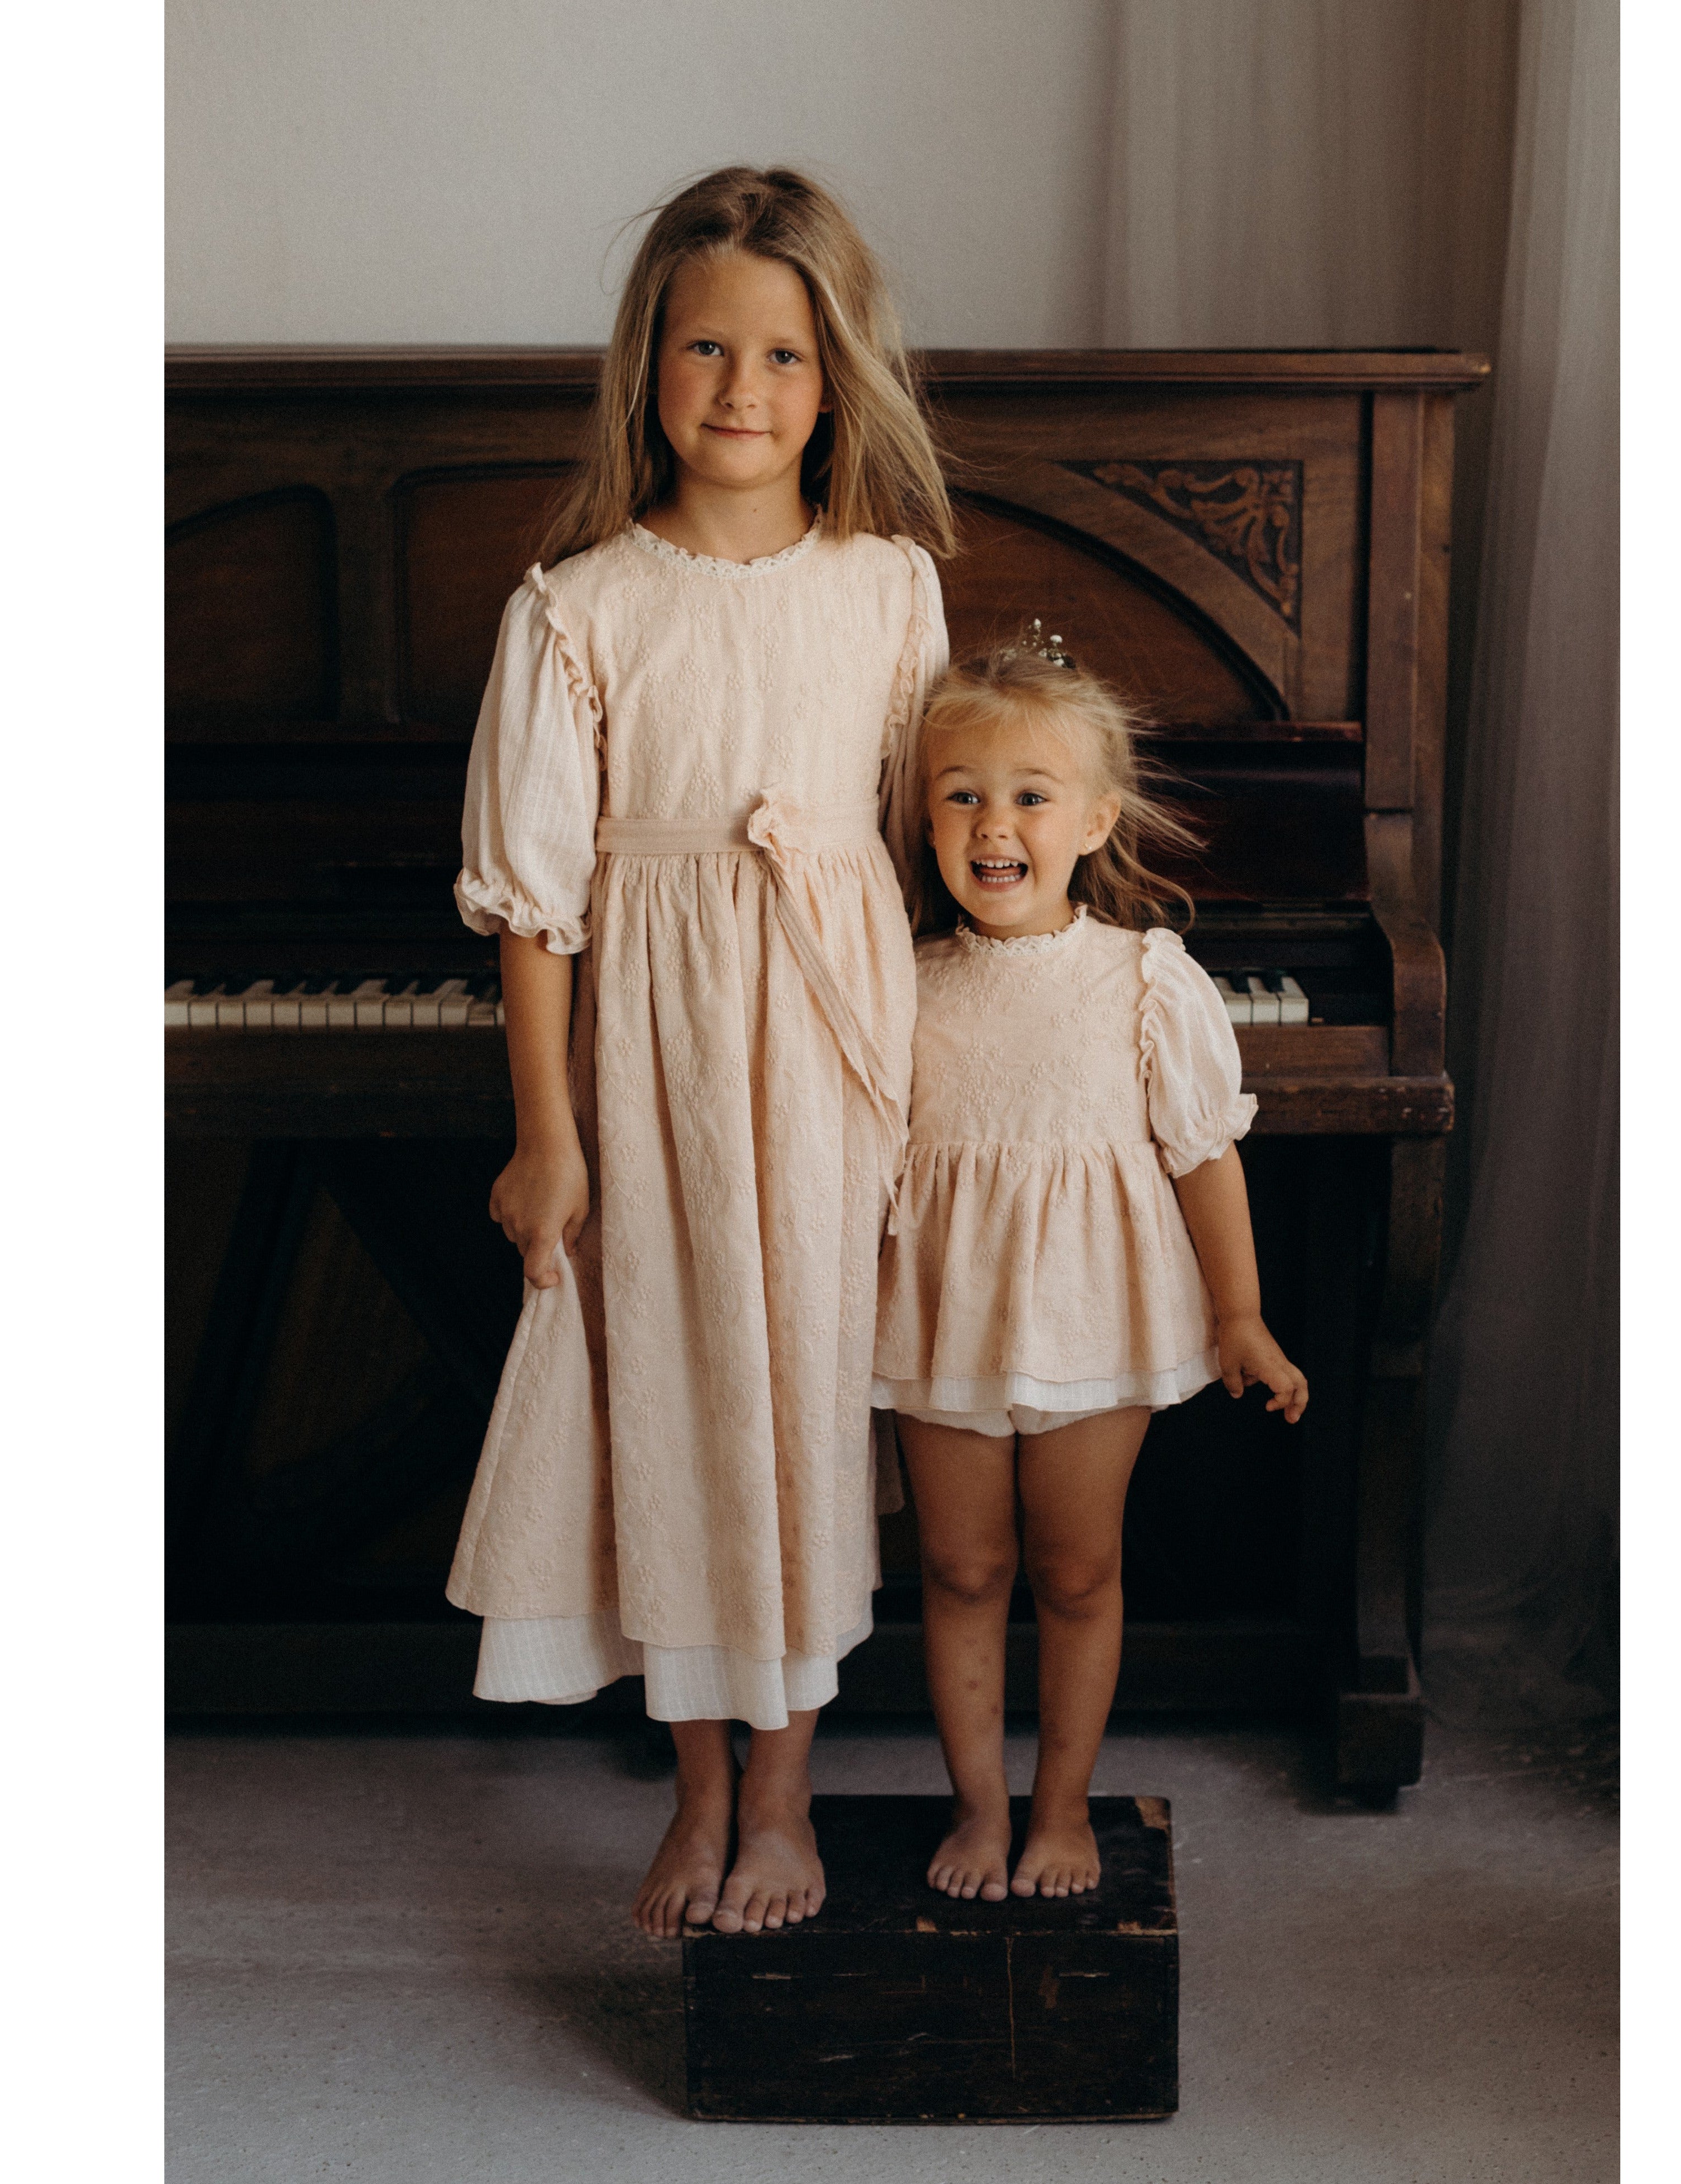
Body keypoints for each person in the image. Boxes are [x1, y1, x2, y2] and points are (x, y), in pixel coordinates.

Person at [446, 167, 955, 1941]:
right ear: (646, 365)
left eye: (784, 356)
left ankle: (788, 1790)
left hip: (828, 1044)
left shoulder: (889, 589)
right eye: (706, 349)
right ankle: (699, 1786)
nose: (743, 388)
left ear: (837, 378)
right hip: (653, 1056)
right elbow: (535, 906)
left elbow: (930, 845)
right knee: (671, 1388)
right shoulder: (577, 607)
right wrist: (549, 1134)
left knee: (803, 1391)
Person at [875, 638, 1309, 1902]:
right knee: (960, 1568)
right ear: (923, 816)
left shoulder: (1143, 978)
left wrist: (1240, 1312)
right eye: (960, 793)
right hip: (946, 1313)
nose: (991, 822)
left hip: (1094, 1314)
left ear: (1094, 821)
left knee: (1074, 1569)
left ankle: (1059, 1804)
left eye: (1029, 794)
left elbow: (1203, 1153)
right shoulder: (899, 979)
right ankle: (977, 1805)